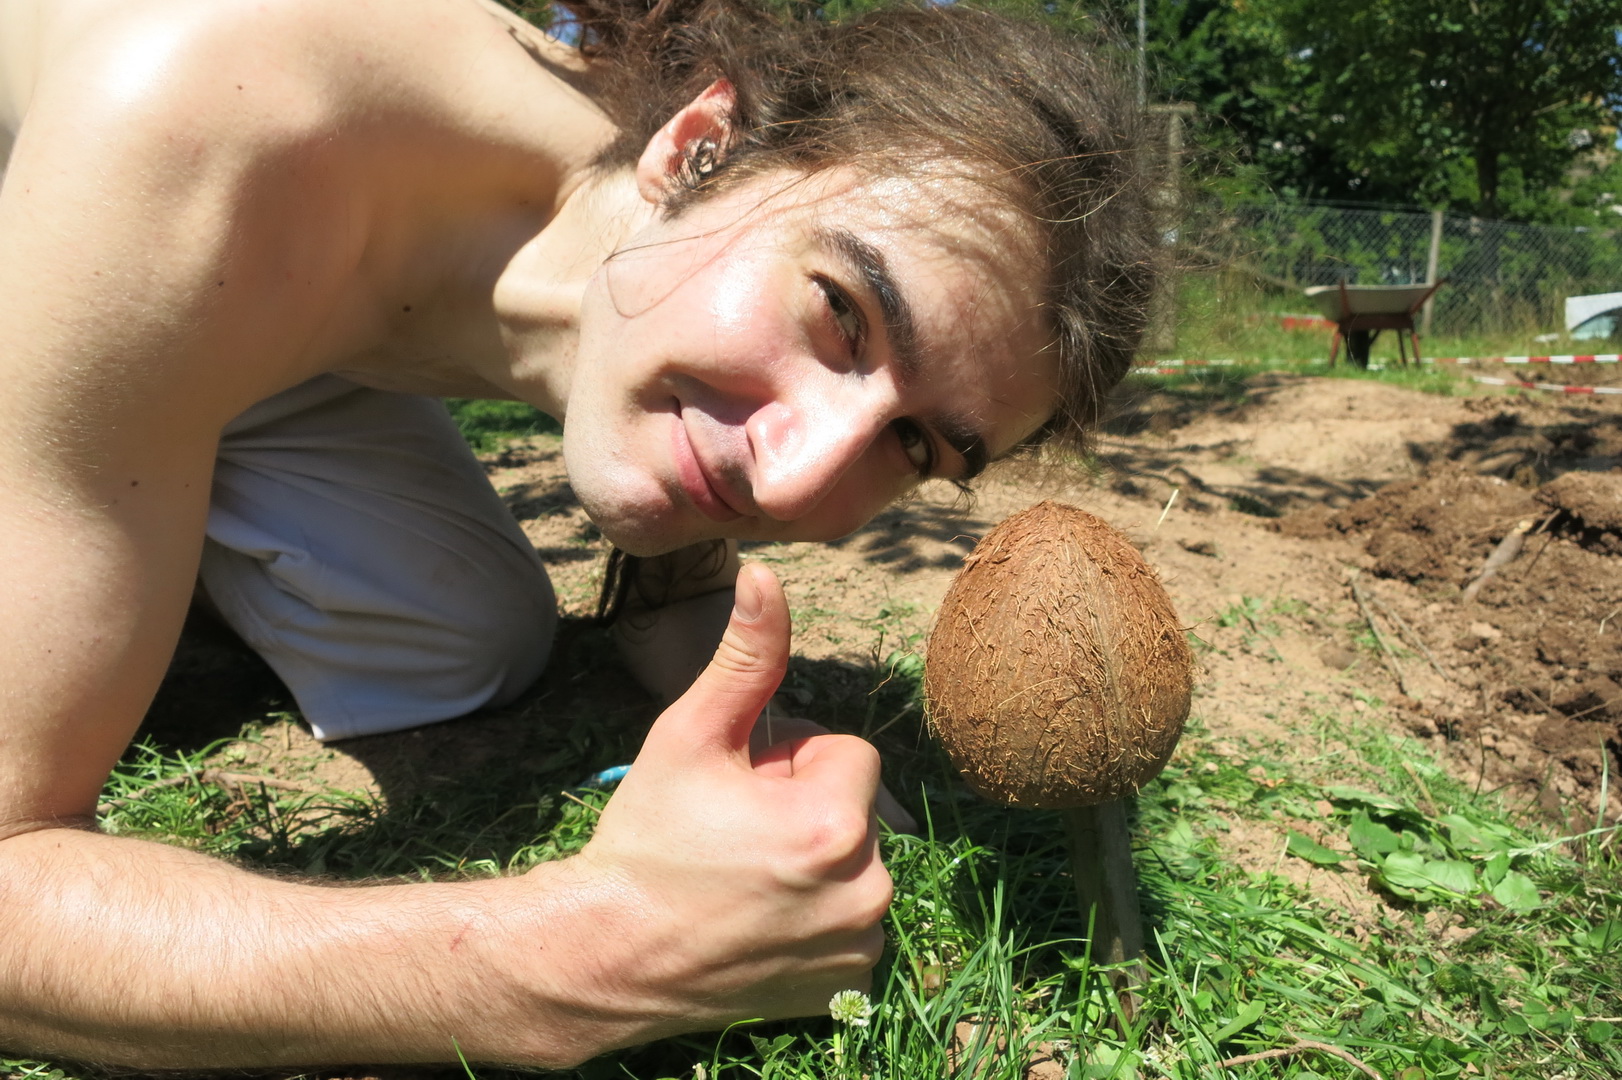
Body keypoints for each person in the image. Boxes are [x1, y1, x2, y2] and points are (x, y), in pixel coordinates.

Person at [0, 0, 1153, 1069]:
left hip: (251, 317)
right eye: (839, 314)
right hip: (74, 235)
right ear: (697, 147)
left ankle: (124, 478)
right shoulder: (195, 122)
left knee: (464, 643)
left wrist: (751, 723)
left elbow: (673, 581)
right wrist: (575, 956)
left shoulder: (646, 263)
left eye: (909, 445)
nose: (795, 477)